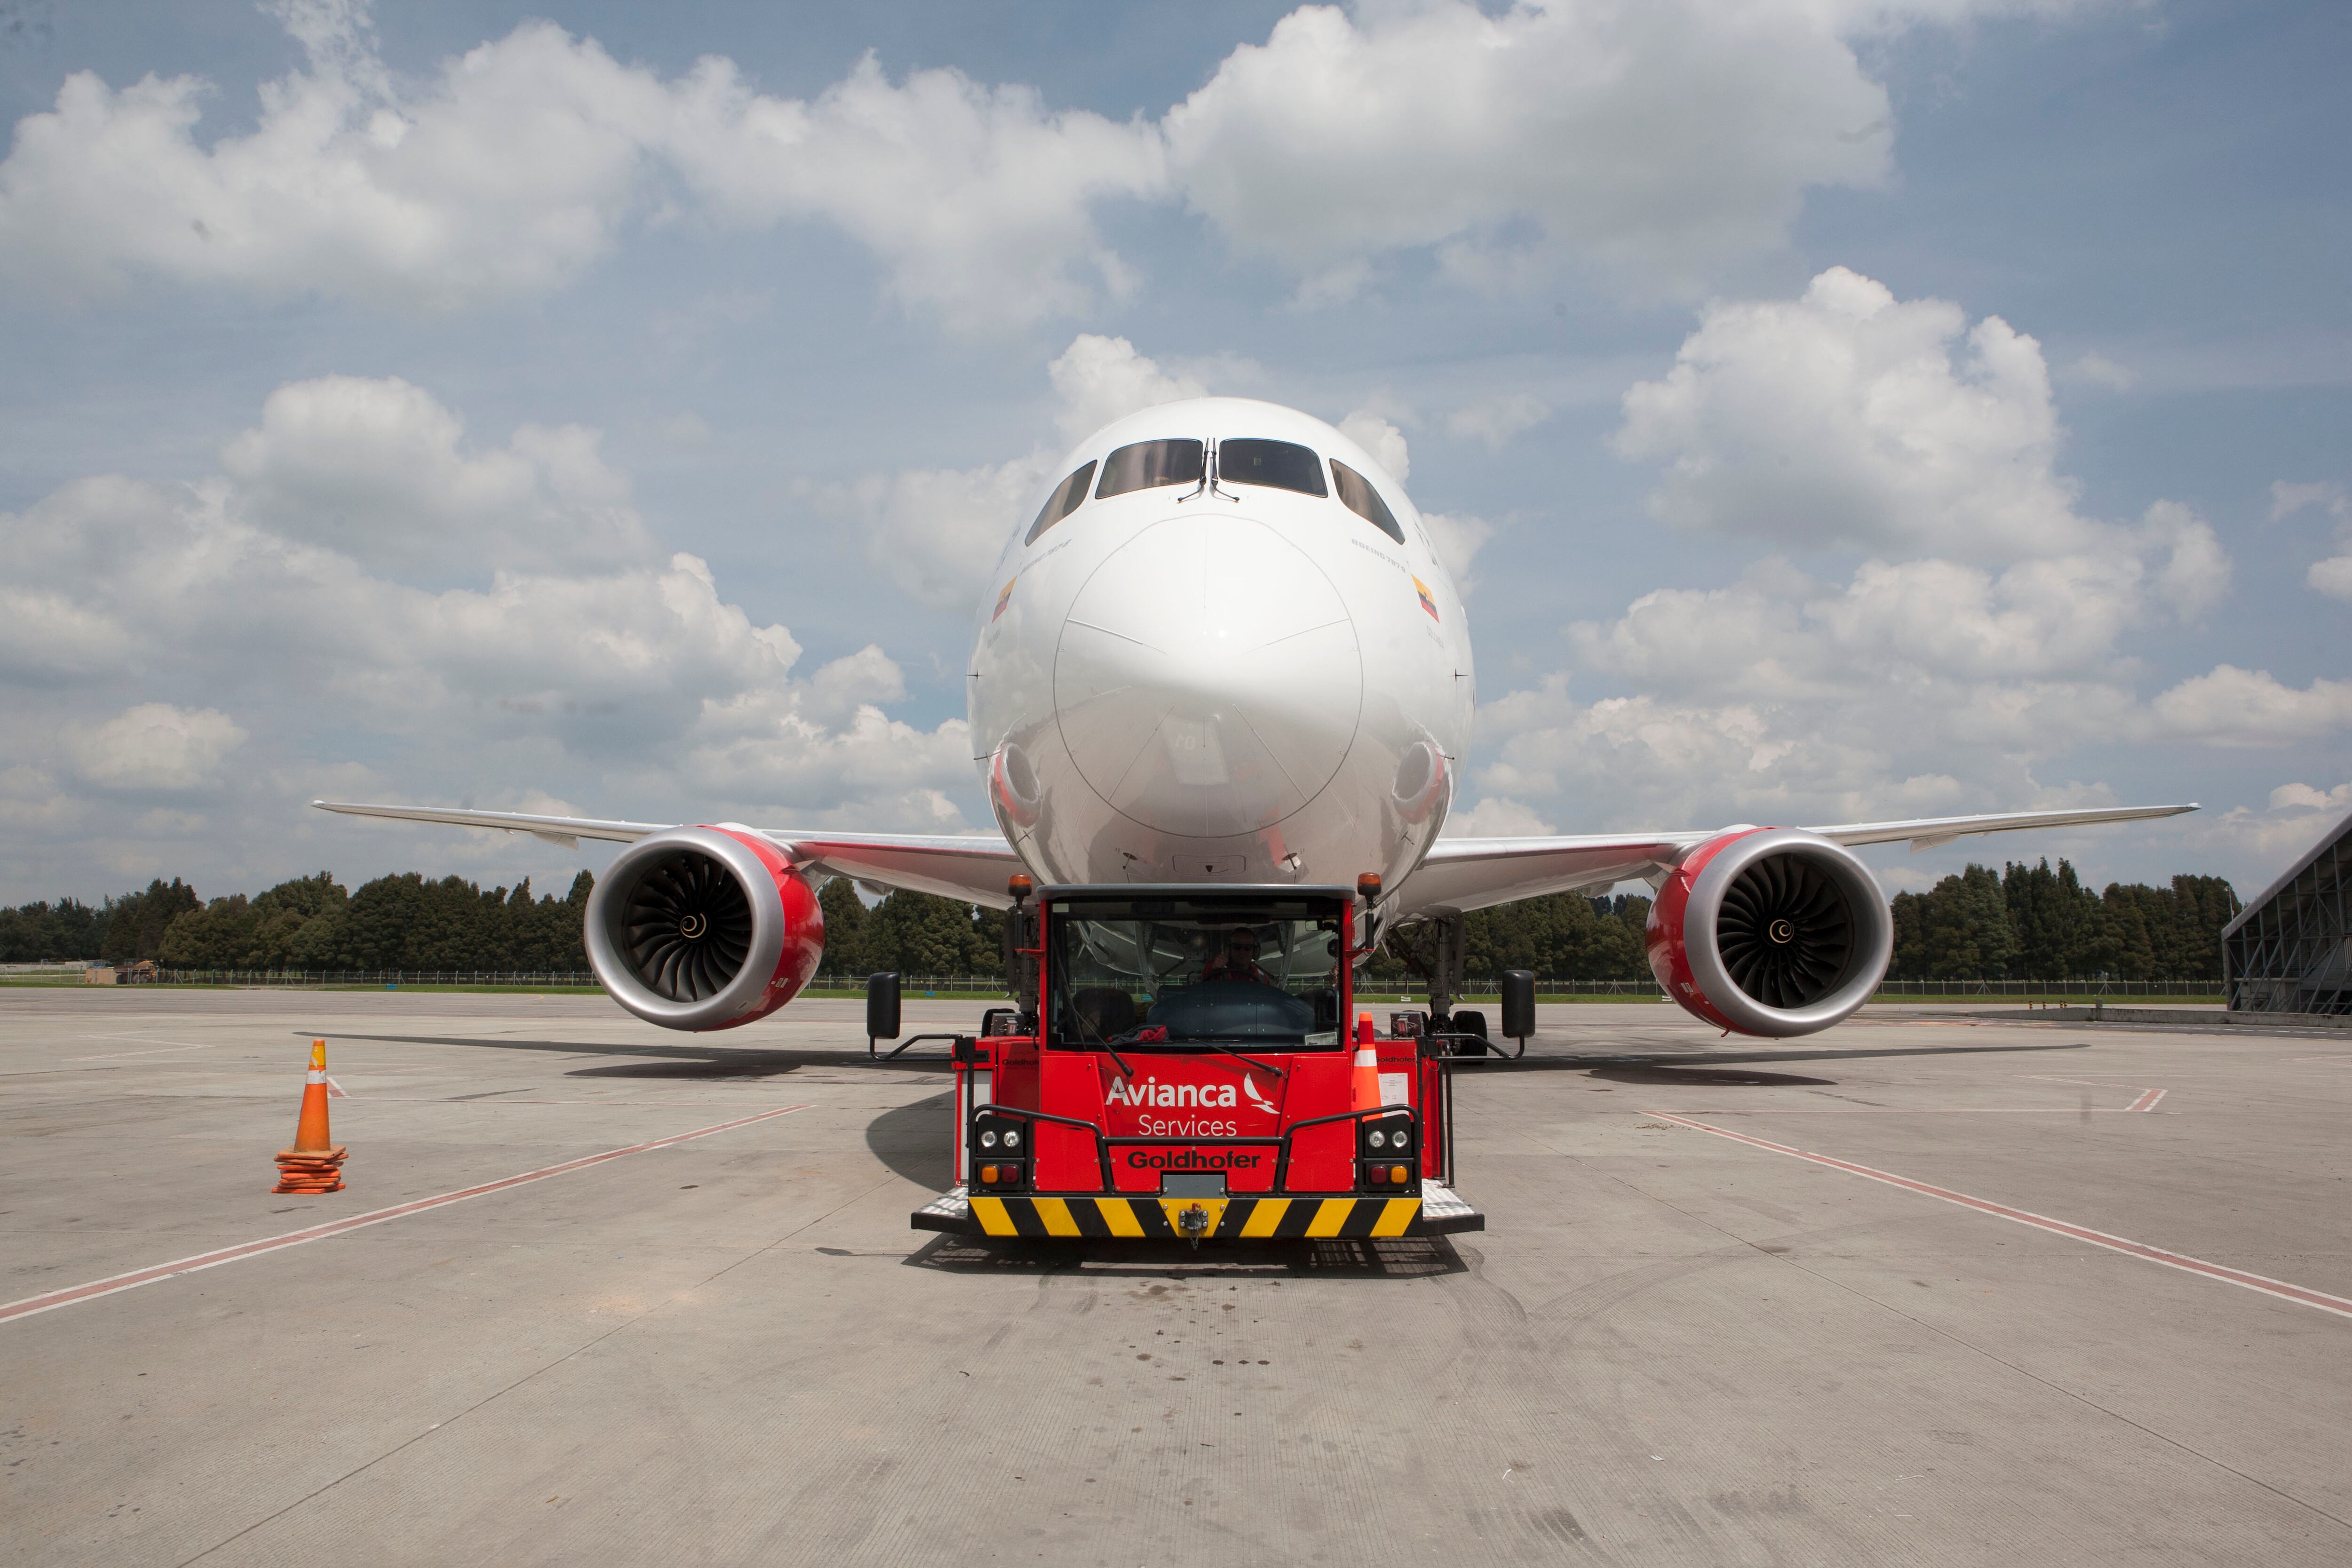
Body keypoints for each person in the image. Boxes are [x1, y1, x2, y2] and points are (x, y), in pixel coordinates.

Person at [1200, 927, 1273, 986]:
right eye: (1237, 947)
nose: (1242, 952)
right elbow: (1206, 976)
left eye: (1247, 948)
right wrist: (1213, 967)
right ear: (1229, 949)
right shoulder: (1217, 970)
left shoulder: (1262, 978)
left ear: (1255, 951)